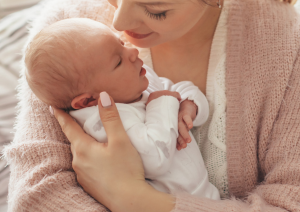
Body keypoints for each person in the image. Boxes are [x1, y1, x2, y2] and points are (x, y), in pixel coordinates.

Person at [3, 0, 300, 212]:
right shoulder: (66, 32)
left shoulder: (284, 45)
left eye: (155, 11)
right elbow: (34, 211)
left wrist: (132, 200)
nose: (119, 23)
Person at [24, 17, 219, 199]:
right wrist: (162, 103)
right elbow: (155, 159)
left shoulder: (137, 82)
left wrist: (188, 104)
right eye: (118, 61)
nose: (133, 53)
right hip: (172, 210)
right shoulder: (104, 123)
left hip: (205, 195)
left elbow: (175, 89)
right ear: (87, 101)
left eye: (122, 44)